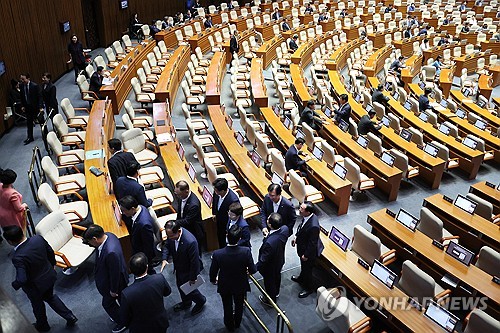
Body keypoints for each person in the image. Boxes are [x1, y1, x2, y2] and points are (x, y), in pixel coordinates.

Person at [3, 226, 78, 332]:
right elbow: (50, 252)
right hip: (49, 276)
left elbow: (22, 279)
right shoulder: (38, 239)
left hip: (35, 287)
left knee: (38, 306)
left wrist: (14, 284)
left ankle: (43, 326)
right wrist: (52, 265)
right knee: (51, 297)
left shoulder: (18, 257)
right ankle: (69, 316)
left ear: (10, 242)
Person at [82, 225, 128, 333]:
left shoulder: (110, 252)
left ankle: (122, 322)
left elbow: (114, 273)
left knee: (108, 304)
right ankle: (126, 315)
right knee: (123, 301)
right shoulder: (109, 235)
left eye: (90, 242)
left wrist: (113, 290)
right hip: (117, 277)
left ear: (95, 239)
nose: (90, 245)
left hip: (115, 283)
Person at [210, 225, 257, 331]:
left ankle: (229, 325)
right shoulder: (246, 251)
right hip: (240, 284)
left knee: (227, 306)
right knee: (239, 304)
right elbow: (253, 269)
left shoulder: (218, 254)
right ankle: (237, 323)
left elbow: (213, 271)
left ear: (227, 236)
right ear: (239, 238)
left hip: (225, 284)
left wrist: (213, 280)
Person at [161, 220, 206, 316]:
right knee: (180, 286)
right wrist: (164, 258)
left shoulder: (190, 241)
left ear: (179, 231)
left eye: (171, 236)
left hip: (188, 270)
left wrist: (193, 277)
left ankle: (201, 300)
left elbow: (194, 262)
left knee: (189, 289)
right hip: (179, 267)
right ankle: (186, 303)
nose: (170, 238)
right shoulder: (171, 235)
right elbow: (167, 245)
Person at [121, 253, 171, 333]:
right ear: (147, 267)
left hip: (140, 329)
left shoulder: (127, 293)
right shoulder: (159, 278)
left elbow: (124, 319)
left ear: (130, 270)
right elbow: (167, 292)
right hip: (160, 323)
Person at [291, 201, 324, 298]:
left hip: (308, 253)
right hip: (302, 246)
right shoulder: (306, 217)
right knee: (304, 268)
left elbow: (312, 243)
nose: (299, 210)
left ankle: (309, 288)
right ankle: (301, 278)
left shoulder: (313, 225)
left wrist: (306, 255)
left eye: (301, 209)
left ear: (308, 212)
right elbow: (302, 228)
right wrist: (296, 237)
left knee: (308, 270)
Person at [119, 195, 157, 274]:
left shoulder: (144, 224)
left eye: (124, 211)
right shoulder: (141, 207)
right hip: (138, 245)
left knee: (148, 272)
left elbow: (148, 246)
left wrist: (145, 260)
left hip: (143, 254)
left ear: (132, 209)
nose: (123, 213)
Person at [257, 213, 289, 305]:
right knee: (277, 276)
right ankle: (276, 292)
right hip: (279, 260)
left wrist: (254, 268)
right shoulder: (285, 229)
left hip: (269, 266)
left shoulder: (269, 243)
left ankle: (271, 301)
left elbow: (263, 260)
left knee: (269, 282)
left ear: (270, 225)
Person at [174, 180, 205, 255]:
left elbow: (187, 221)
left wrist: (175, 223)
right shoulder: (181, 196)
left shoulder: (194, 205)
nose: (178, 197)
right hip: (185, 227)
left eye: (179, 195)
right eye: (176, 194)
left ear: (186, 191)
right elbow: (180, 211)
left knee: (195, 253)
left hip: (194, 230)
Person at [212, 178, 240, 249]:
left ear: (223, 191)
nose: (215, 192)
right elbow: (214, 202)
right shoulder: (217, 192)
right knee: (220, 236)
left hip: (226, 223)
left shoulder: (233, 200)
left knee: (225, 240)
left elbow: (235, 216)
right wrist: (214, 213)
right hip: (219, 220)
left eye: (216, 191)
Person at [0, 169, 27, 241]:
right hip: (12, 216)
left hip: (2, 215)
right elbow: (18, 208)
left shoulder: (0, 186)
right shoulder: (12, 194)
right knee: (17, 234)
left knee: (9, 232)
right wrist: (24, 205)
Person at [19, 73, 42, 145]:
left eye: (23, 79)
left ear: (28, 79)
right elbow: (22, 97)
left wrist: (40, 107)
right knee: (29, 123)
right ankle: (30, 137)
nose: (22, 80)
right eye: (21, 79)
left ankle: (45, 134)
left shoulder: (34, 86)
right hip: (27, 107)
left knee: (41, 121)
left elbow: (39, 97)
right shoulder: (21, 86)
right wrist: (23, 106)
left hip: (35, 107)